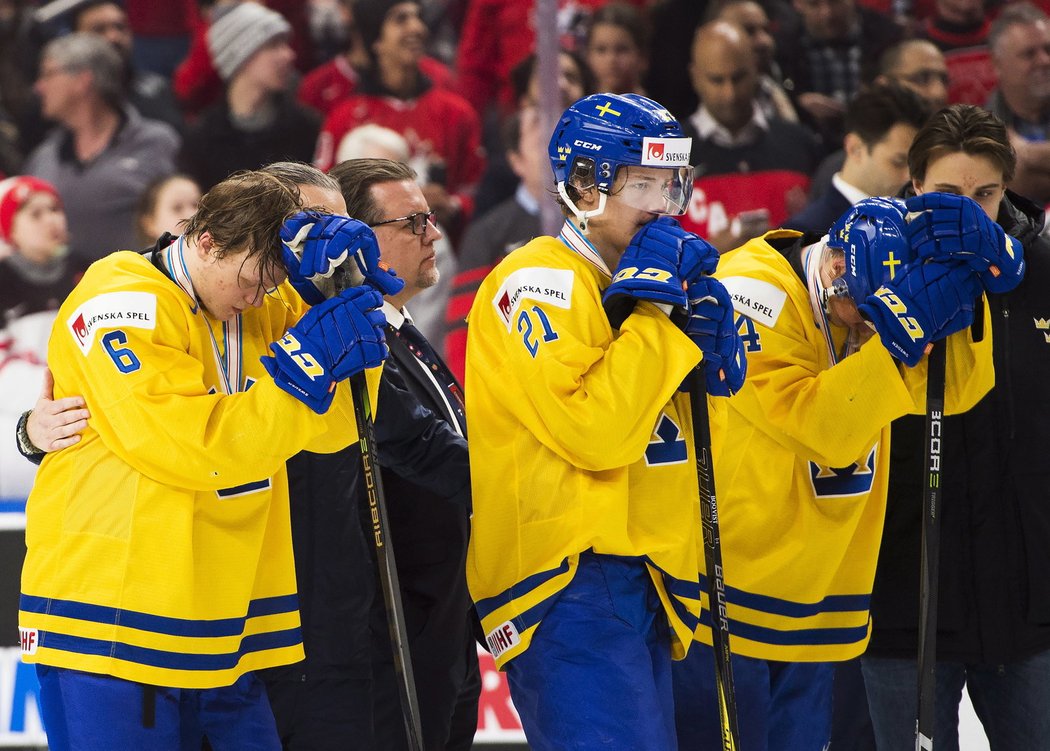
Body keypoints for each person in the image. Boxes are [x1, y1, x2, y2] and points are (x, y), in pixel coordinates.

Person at [16, 168, 397, 750]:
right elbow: (194, 447)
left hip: (223, 629)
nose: (260, 294)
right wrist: (302, 373)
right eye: (255, 276)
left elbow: (337, 429)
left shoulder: (260, 303)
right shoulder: (119, 302)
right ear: (206, 241)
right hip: (114, 622)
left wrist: (339, 298)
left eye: (275, 280)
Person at [671, 185, 1019, 749]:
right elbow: (821, 430)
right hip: (722, 600)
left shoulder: (861, 302)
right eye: (866, 311)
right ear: (835, 263)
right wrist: (901, 340)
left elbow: (953, 391)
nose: (871, 326)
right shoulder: (748, 290)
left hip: (819, 605)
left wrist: (966, 294)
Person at [465, 91, 747, 750]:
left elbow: (687, 453)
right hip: (570, 579)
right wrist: (654, 322)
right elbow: (596, 432)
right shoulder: (537, 280)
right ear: (584, 184)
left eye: (670, 183)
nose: (661, 203)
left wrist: (713, 376)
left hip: (651, 572)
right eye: (641, 182)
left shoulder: (657, 283)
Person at [863, 103, 1050, 750]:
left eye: (985, 194)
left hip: (1029, 603)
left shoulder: (1042, 273)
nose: (966, 212)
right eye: (946, 193)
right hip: (900, 599)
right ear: (914, 185)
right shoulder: (867, 269)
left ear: (1008, 189)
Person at [329, 157, 480, 751]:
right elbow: (422, 451)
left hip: (444, 624)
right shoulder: (354, 341)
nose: (433, 233)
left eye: (431, 217)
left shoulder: (404, 332)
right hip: (391, 635)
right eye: (413, 222)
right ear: (358, 244)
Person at [314, 0, 485, 234]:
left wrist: (451, 205)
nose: (417, 28)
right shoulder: (344, 119)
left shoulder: (456, 112)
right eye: (400, 19)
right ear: (375, 39)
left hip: (443, 250)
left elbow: (478, 190)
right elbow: (323, 200)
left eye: (417, 17)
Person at [25, 32, 180, 265]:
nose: (39, 87)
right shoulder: (42, 158)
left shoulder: (156, 144)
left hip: (139, 288)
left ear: (82, 80)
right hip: (62, 296)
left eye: (48, 73)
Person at [679, 20, 821, 251]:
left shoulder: (800, 144)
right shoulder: (670, 155)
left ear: (756, 69)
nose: (730, 93)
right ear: (695, 76)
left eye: (738, 77)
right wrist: (709, 253)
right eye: (717, 80)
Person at [445, 106, 545, 381]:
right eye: (541, 141)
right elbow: (462, 329)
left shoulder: (598, 219)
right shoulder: (488, 234)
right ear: (517, 162)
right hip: (515, 386)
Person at [178, 2, 320, 191]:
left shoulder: (307, 127)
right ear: (241, 56)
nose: (289, 54)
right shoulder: (201, 139)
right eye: (273, 45)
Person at [0, 176, 81, 499]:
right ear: (10, 229)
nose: (52, 220)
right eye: (35, 214)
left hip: (77, 409)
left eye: (55, 209)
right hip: (17, 420)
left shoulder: (92, 271)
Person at [785, 82, 929, 234]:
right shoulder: (804, 233)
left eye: (916, 165)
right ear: (855, 148)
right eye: (898, 162)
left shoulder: (917, 225)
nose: (909, 177)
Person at [70, 0, 184, 132]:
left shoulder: (158, 89)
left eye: (120, 27)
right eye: (99, 30)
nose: (114, 37)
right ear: (75, 40)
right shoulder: (66, 100)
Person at [985, 2, 1050, 207]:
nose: (1044, 60)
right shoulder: (982, 124)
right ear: (997, 65)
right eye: (1029, 54)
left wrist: (1027, 154)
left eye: (1048, 50)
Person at [134, 173, 202, 246]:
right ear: (150, 223)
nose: (191, 215)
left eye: (195, 205)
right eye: (177, 208)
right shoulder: (135, 257)